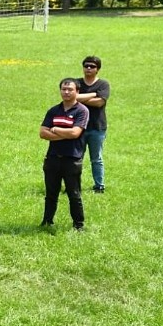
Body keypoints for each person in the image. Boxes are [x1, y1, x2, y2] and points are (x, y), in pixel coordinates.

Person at [40, 78, 90, 231]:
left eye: (70, 89)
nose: (66, 92)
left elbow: (75, 133)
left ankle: (78, 225)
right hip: (53, 158)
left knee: (74, 194)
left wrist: (55, 129)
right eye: (64, 89)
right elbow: (42, 133)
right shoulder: (54, 110)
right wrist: (65, 134)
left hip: (72, 159)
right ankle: (47, 221)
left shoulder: (82, 111)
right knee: (51, 194)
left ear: (77, 91)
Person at [76, 56, 110, 194]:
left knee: (96, 159)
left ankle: (99, 186)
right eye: (86, 66)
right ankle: (74, 186)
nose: (88, 68)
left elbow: (99, 103)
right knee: (76, 158)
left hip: (97, 127)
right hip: (78, 127)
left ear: (98, 69)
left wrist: (81, 98)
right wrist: (94, 94)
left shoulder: (103, 84)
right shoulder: (76, 82)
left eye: (92, 66)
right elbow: (72, 97)